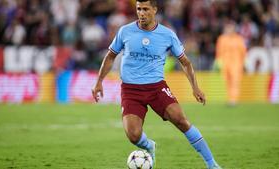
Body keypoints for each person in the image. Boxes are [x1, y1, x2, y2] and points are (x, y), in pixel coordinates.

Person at [92, 0, 222, 168]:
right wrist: (99, 82)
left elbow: (186, 63)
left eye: (145, 9)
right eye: (139, 9)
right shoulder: (125, 31)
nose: (141, 13)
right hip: (131, 90)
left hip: (157, 88)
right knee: (133, 135)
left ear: (154, 10)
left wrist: (195, 88)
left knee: (182, 121)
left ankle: (212, 164)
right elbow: (110, 57)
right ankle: (149, 146)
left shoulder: (167, 35)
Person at [216, 20, 247, 106]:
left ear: (234, 29)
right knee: (227, 82)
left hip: (236, 64)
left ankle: (233, 99)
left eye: (230, 28)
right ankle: (230, 98)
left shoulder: (239, 39)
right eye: (227, 28)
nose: (228, 29)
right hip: (225, 63)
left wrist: (244, 62)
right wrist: (219, 61)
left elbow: (243, 51)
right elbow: (219, 51)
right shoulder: (221, 39)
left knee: (235, 81)